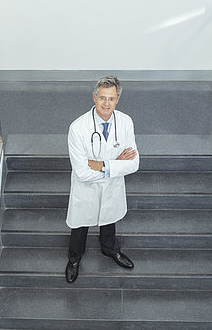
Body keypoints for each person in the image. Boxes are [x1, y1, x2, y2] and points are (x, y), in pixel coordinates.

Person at [65, 75, 139, 283]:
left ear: (117, 100)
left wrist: (100, 165)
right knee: (80, 226)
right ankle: (74, 258)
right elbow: (81, 172)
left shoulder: (125, 122)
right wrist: (115, 164)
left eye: (111, 99)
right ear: (94, 97)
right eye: (102, 98)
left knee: (109, 218)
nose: (107, 104)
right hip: (85, 188)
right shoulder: (78, 128)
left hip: (112, 188)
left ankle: (110, 250)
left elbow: (133, 164)